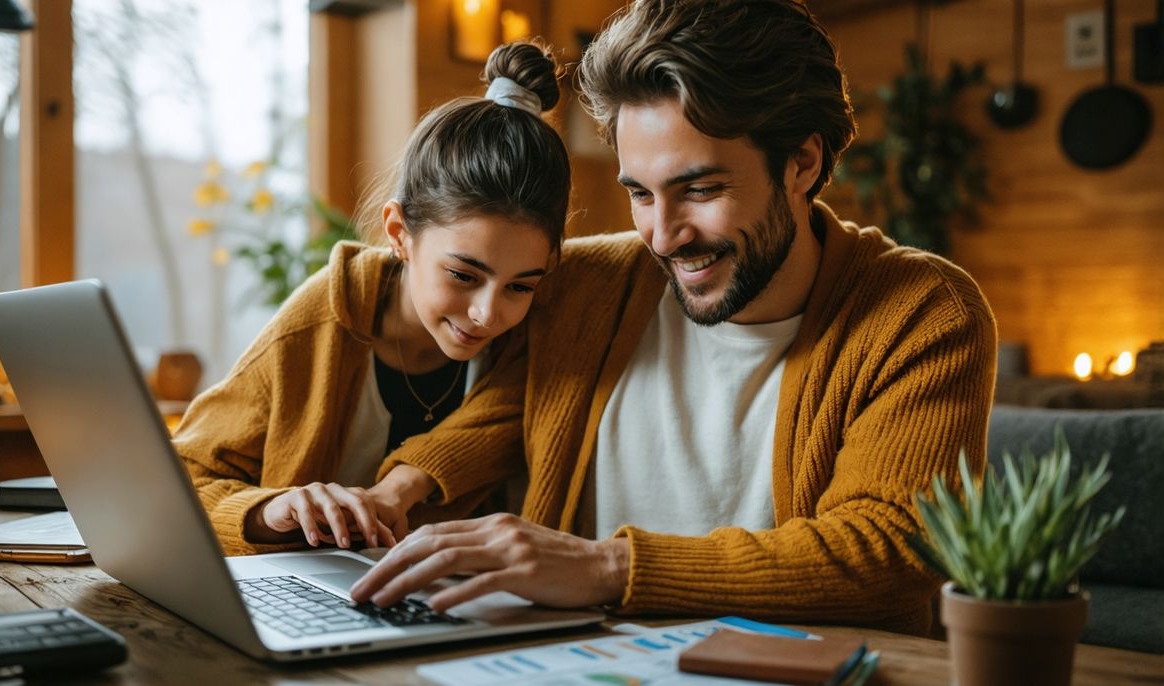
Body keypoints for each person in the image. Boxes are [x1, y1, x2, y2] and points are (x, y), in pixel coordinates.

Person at [352, 0, 998, 635]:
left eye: (700, 189)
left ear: (802, 162)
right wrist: (399, 488)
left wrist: (609, 565)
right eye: (639, 193)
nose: (662, 236)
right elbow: (506, 410)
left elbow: (887, 553)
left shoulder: (921, 311)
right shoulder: (580, 285)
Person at [173, 40, 571, 556]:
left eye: (521, 285)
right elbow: (179, 478)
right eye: (463, 274)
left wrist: (405, 485)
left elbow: (505, 419)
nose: (488, 314)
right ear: (399, 232)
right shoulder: (315, 326)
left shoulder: (533, 338)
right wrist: (269, 511)